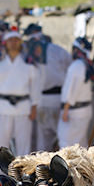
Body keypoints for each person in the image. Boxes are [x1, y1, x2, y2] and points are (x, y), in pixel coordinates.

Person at [0, 26, 41, 168]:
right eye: (11, 40)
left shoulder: (29, 65)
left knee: (24, 144)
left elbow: (35, 87)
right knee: (2, 144)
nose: (14, 43)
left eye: (16, 40)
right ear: (6, 43)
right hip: (3, 107)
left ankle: (24, 174)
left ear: (20, 42)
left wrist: (34, 106)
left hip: (23, 107)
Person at [23, 23, 72, 152]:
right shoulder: (57, 50)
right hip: (51, 99)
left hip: (46, 100)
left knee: (45, 142)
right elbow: (69, 68)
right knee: (62, 139)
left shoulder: (29, 55)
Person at [57, 37, 94, 148]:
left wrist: (66, 109)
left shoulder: (77, 66)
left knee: (66, 143)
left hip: (74, 112)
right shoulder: (85, 65)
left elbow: (72, 90)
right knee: (80, 144)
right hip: (82, 111)